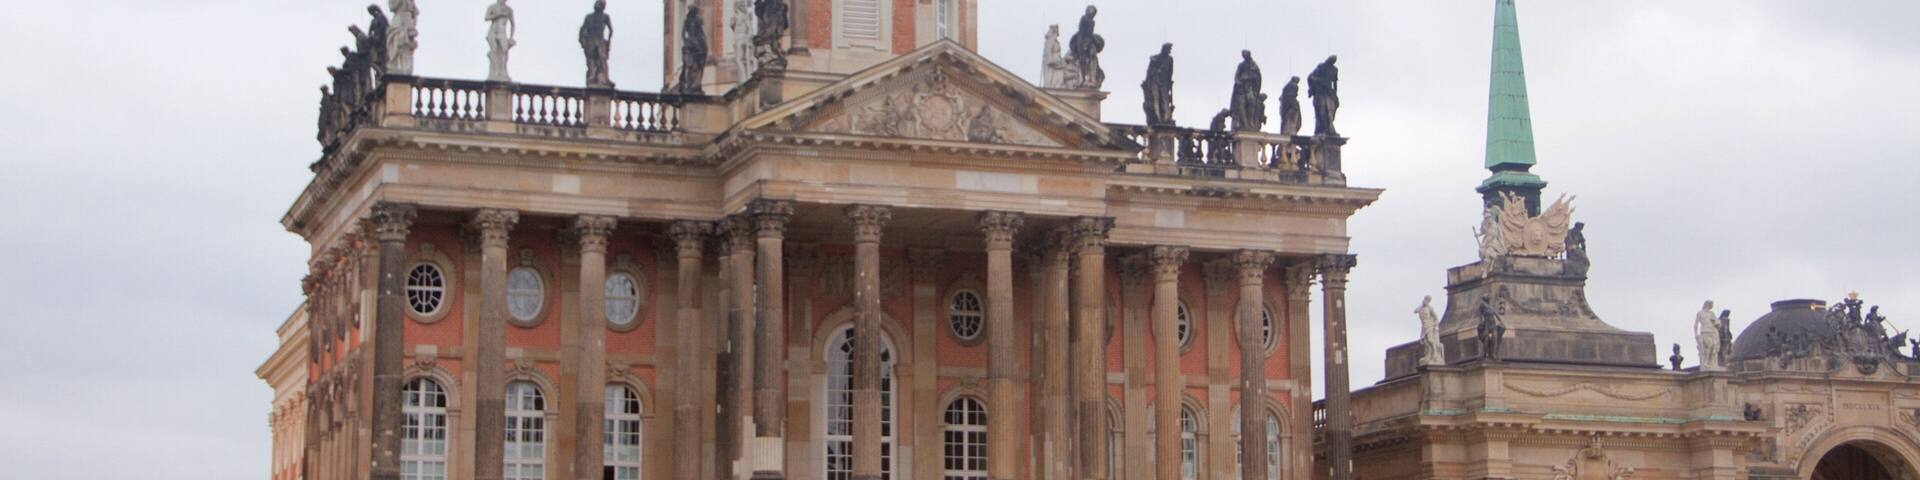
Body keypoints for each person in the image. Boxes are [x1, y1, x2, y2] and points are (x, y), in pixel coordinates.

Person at [580, 0, 615, 87]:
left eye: (602, 5)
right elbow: (583, 29)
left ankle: (603, 79)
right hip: (591, 39)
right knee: (592, 59)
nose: (600, 6)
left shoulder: (605, 17)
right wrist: (583, 40)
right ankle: (593, 77)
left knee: (602, 59)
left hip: (600, 40)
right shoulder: (589, 17)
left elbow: (611, 30)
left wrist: (608, 41)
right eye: (599, 4)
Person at [485, 0, 517, 82]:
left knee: (504, 52)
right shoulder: (492, 7)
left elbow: (513, 24)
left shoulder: (509, 9)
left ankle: (503, 73)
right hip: (493, 31)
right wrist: (498, 15)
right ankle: (495, 73)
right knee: (494, 50)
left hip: (502, 32)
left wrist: (511, 37)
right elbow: (486, 17)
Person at [1307, 55, 1340, 135]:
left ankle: (1329, 128)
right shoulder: (1321, 66)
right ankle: (1323, 129)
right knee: (1321, 111)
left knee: (1331, 110)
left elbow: (1335, 83)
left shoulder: (1335, 69)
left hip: (1329, 92)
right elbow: (1310, 77)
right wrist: (1316, 82)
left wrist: (1335, 94)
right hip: (1320, 92)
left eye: (1333, 61)